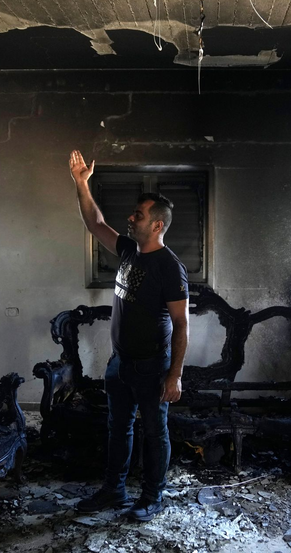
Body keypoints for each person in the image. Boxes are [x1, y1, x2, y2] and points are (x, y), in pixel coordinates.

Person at [68, 150, 189, 522]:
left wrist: (175, 374)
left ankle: (152, 497)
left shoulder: (170, 267)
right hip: (119, 363)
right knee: (118, 428)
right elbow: (95, 222)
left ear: (157, 225)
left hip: (153, 366)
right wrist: (81, 184)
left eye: (139, 215)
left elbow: (182, 324)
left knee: (155, 432)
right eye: (134, 214)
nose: (131, 218)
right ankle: (114, 490)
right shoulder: (128, 251)